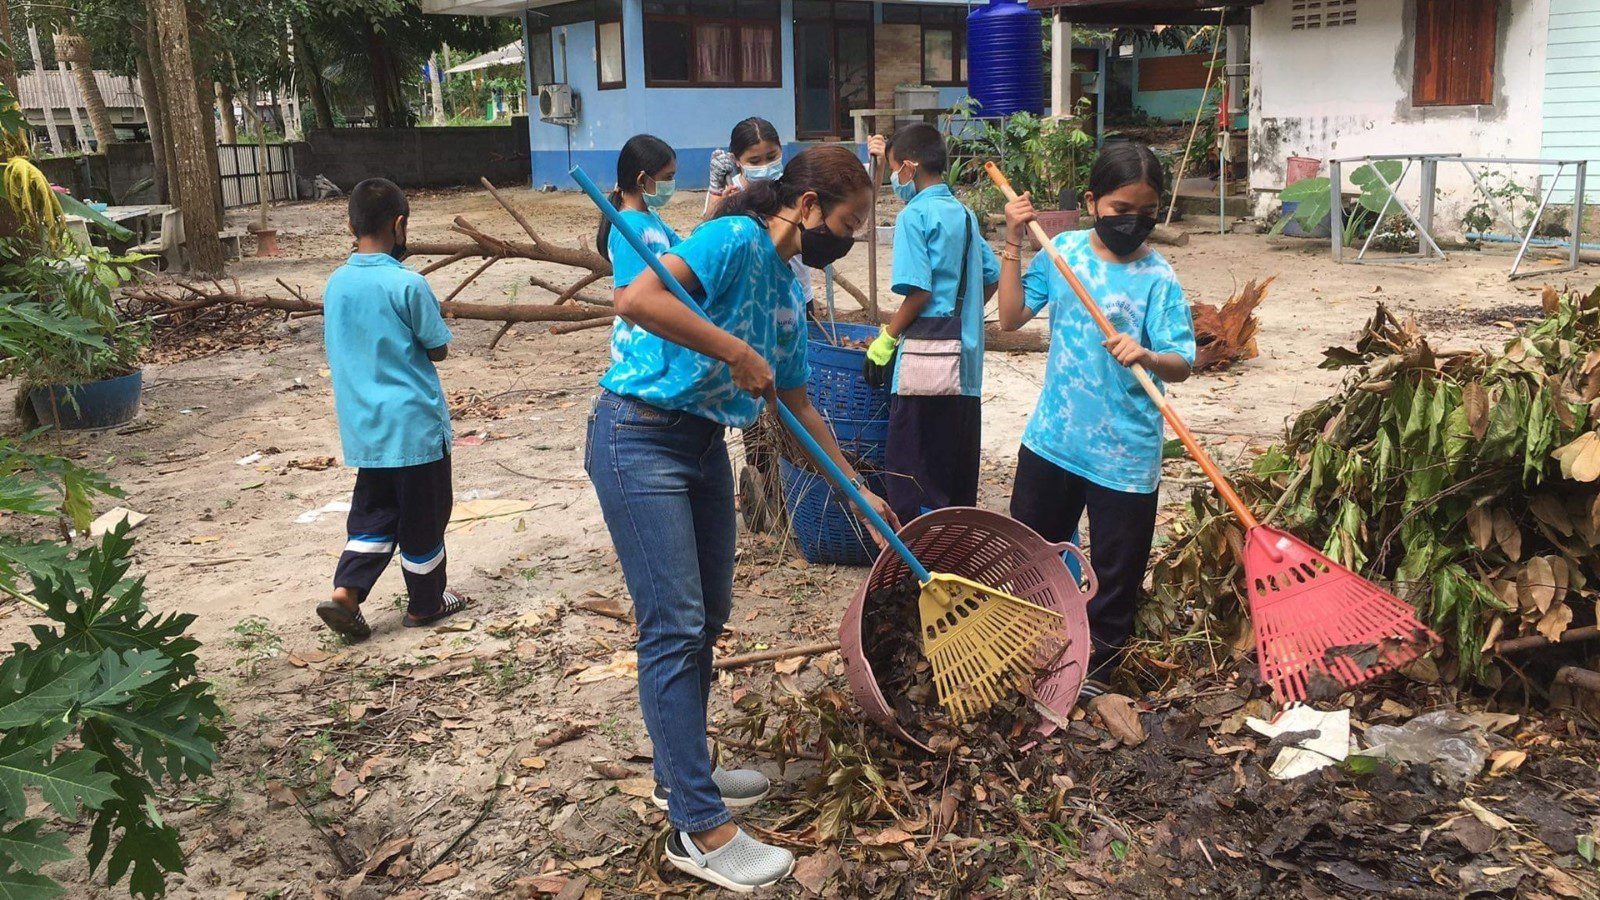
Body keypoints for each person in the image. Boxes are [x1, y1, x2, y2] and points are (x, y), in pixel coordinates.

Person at [588, 145, 896, 892]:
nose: (847, 239)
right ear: (811, 206)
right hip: (637, 435)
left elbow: (796, 401)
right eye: (848, 223)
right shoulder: (731, 240)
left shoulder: (789, 291)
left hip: (697, 446)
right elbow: (637, 302)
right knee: (675, 623)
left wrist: (858, 485)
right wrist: (732, 350)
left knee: (710, 613)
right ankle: (696, 827)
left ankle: (679, 773)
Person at [996, 142, 1195, 701]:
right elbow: (1010, 319)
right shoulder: (1061, 255)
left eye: (1147, 213)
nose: (1134, 223)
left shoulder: (1159, 278)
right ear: (1091, 202)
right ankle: (1034, 660)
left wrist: (1149, 356)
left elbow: (1182, 362)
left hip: (1125, 456)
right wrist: (1013, 239)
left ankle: (1093, 680)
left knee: (1114, 581)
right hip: (1053, 440)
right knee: (1034, 558)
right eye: (1120, 211)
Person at [316, 178, 470, 641]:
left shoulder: (336, 283)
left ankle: (347, 592)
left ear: (350, 224)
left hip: (366, 429)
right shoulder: (408, 283)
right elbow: (438, 348)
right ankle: (426, 603)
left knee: (373, 514)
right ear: (400, 225)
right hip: (415, 429)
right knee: (424, 518)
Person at [863, 122, 999, 524]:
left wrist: (887, 336)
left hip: (926, 367)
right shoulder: (965, 214)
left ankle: (917, 567)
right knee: (954, 480)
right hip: (967, 367)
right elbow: (989, 277)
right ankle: (953, 556)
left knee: (911, 475)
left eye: (894, 171)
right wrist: (963, 316)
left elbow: (918, 291)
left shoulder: (914, 215)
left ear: (909, 167)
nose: (894, 181)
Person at [598, 134, 680, 363]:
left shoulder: (650, 217)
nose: (672, 185)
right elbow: (625, 304)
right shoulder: (629, 229)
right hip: (638, 352)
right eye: (668, 177)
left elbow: (687, 252)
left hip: (656, 340)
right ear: (642, 179)